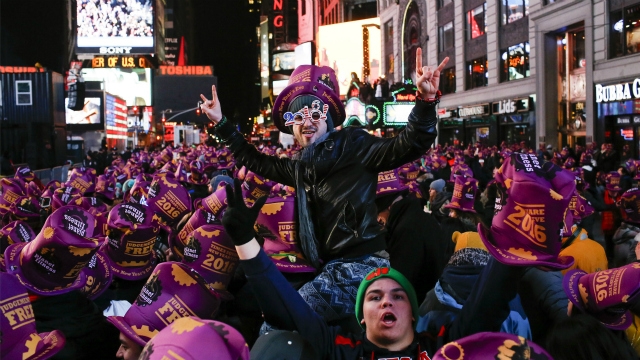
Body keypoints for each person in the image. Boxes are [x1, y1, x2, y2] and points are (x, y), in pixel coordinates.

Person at [200, 48, 449, 329]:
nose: (306, 122)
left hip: (360, 267)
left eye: (314, 112)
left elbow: (411, 143)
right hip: (331, 266)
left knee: (279, 325)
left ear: (328, 117)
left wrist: (426, 101)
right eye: (298, 116)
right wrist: (221, 123)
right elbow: (253, 159)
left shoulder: (355, 145)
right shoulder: (300, 167)